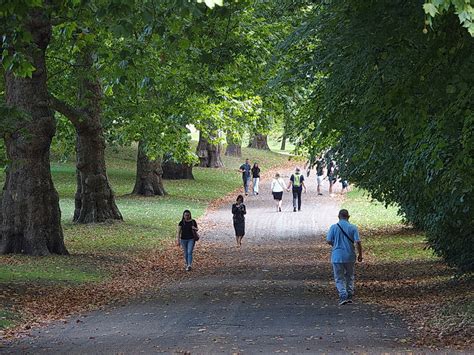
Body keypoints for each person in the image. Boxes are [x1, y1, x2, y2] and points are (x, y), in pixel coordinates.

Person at [326, 209, 363, 305]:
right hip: (350, 255)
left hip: (337, 256)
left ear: (338, 216)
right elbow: (358, 242)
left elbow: (328, 240)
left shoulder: (333, 227)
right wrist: (360, 255)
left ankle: (343, 295)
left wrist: (335, 244)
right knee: (349, 275)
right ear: (348, 217)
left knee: (339, 277)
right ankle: (350, 293)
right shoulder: (353, 228)